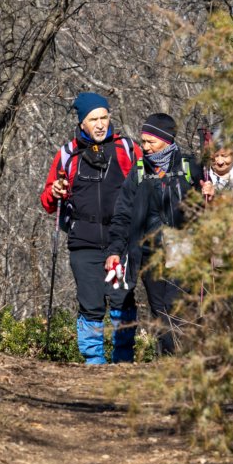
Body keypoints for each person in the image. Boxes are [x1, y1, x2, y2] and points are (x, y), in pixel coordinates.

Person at [40, 92, 141, 365]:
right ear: (81, 122)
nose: (100, 124)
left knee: (121, 300)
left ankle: (123, 361)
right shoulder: (67, 154)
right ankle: (93, 362)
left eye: (104, 117)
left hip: (120, 242)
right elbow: (48, 202)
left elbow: (146, 186)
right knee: (91, 304)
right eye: (93, 119)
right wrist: (56, 192)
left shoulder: (127, 149)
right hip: (83, 241)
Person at [105, 113, 214, 356]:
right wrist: (115, 250)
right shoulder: (139, 171)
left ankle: (183, 360)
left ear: (166, 140)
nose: (145, 147)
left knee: (176, 305)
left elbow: (208, 209)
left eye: (150, 142)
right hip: (147, 250)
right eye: (143, 141)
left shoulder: (190, 167)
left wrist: (210, 193)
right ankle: (169, 361)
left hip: (182, 245)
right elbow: (122, 215)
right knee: (159, 309)